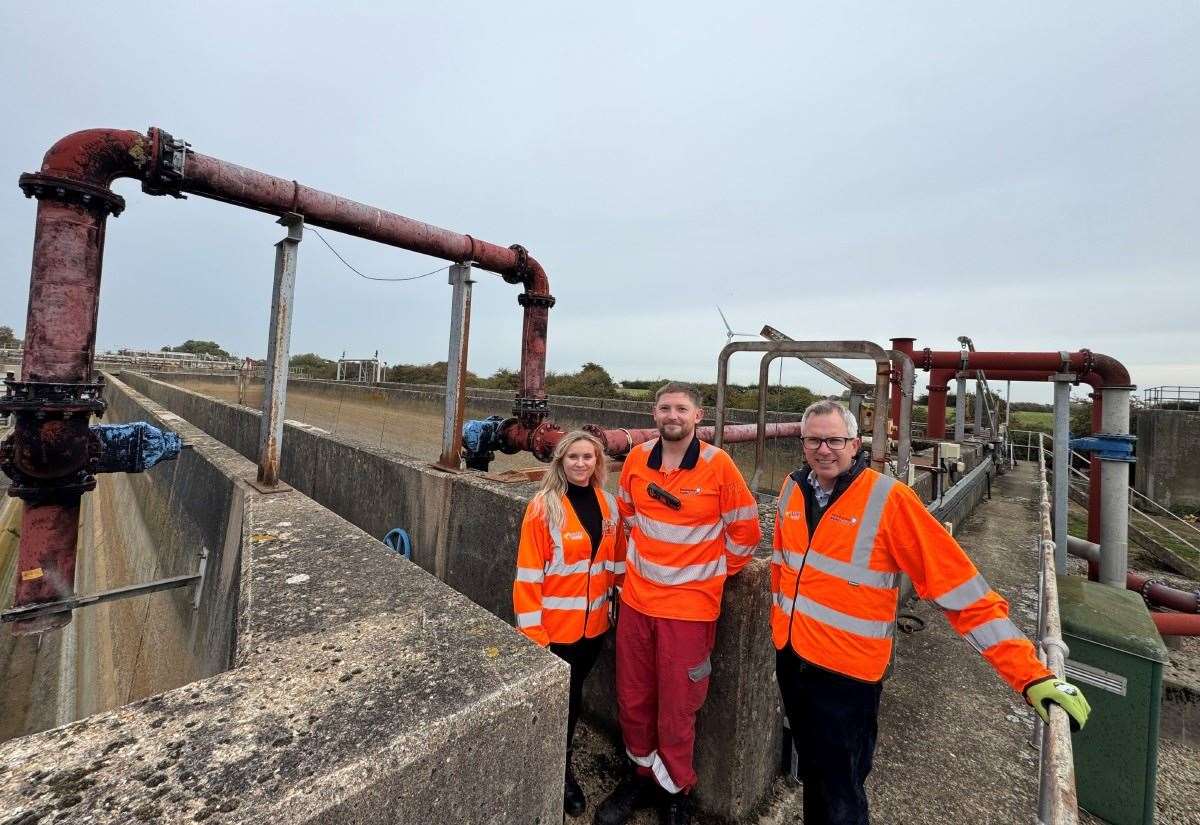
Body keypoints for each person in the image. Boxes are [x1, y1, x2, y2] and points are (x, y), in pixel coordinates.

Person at [771, 399, 1090, 825]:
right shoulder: (793, 489)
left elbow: (961, 590)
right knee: (812, 772)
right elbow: (782, 567)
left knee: (841, 792)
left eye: (834, 440)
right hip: (793, 659)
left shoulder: (889, 500)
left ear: (855, 443)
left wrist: (1029, 674)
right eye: (814, 440)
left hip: (846, 676)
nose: (823, 449)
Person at [595, 382, 762, 825]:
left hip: (688, 611)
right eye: (665, 408)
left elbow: (746, 534)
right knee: (633, 697)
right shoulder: (636, 459)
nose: (673, 415)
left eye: (681, 409)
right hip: (637, 602)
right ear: (654, 414)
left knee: (678, 705)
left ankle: (676, 790)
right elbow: (628, 515)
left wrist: (703, 575)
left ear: (697, 416)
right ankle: (640, 775)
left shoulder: (718, 466)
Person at [513, 430, 626, 818]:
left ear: (598, 463)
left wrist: (618, 610)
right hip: (553, 632)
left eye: (588, 457)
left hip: (593, 630)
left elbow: (616, 566)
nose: (581, 464)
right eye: (573, 457)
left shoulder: (610, 507)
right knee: (560, 702)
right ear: (560, 461)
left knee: (573, 698)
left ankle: (559, 762)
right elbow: (528, 575)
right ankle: (558, 772)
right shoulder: (544, 508)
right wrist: (534, 635)